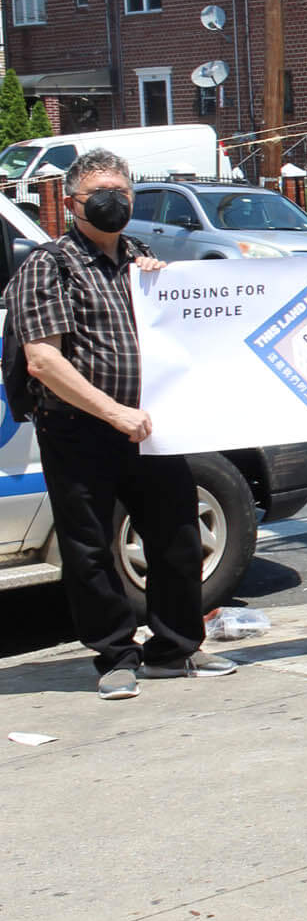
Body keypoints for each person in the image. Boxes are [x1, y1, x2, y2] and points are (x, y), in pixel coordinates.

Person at [6, 148, 231, 700]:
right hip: (80, 430)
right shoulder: (48, 265)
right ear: (72, 202)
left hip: (151, 428)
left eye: (122, 193)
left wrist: (162, 288)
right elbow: (43, 360)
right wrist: (113, 413)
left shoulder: (140, 256)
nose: (113, 203)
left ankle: (174, 650)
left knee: (177, 536)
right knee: (88, 549)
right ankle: (115, 656)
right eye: (100, 194)